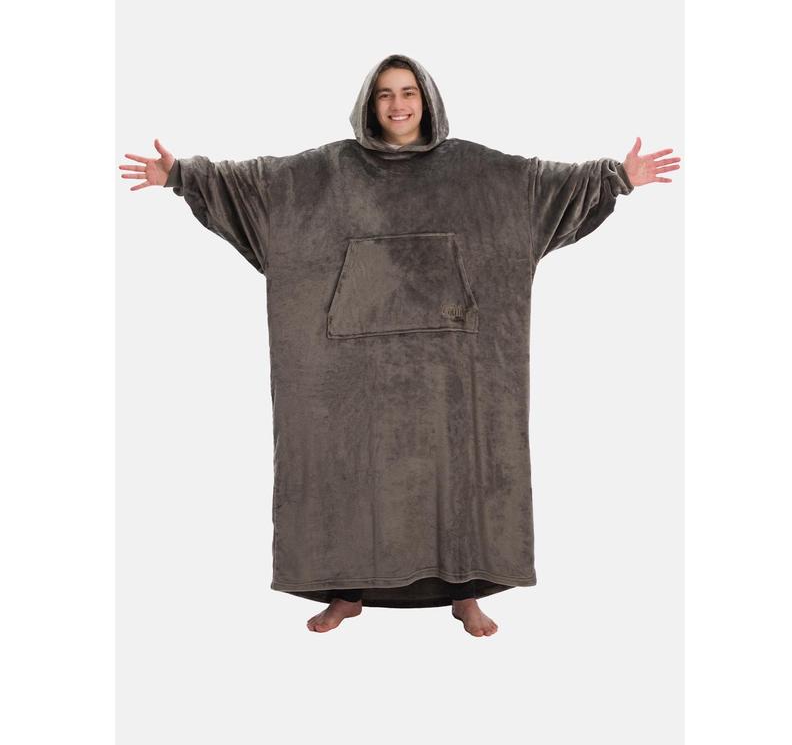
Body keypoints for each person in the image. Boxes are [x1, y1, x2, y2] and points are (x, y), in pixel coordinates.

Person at [120, 54, 680, 637]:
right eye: (385, 93)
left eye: (408, 91)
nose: (398, 104)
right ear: (370, 103)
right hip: (349, 365)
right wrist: (181, 175)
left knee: (460, 468)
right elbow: (256, 185)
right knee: (346, 467)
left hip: (452, 363)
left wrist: (616, 177)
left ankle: (467, 594)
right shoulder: (325, 171)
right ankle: (346, 593)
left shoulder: (478, 170)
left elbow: (544, 187)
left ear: (427, 99)